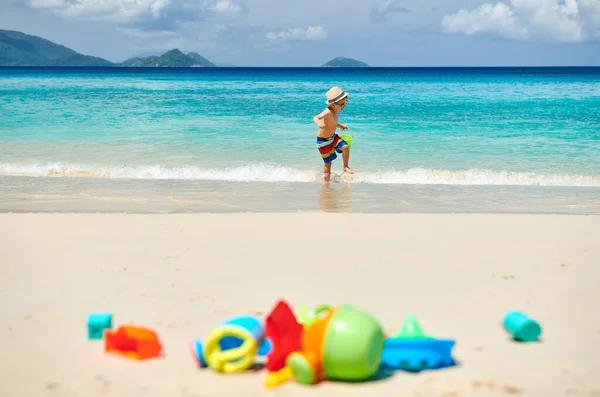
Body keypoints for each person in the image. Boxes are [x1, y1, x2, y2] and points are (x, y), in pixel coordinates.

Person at [313, 86, 353, 182]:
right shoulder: (327, 112)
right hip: (323, 141)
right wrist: (320, 123)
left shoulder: (335, 111)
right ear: (334, 104)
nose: (344, 106)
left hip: (333, 137)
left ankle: (345, 166)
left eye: (345, 103)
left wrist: (341, 126)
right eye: (342, 104)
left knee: (345, 147)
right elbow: (316, 117)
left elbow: (333, 123)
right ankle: (326, 180)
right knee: (328, 163)